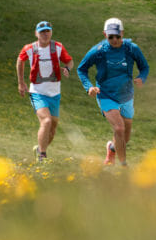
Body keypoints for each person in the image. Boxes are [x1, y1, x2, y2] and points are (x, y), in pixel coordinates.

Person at [78, 17, 149, 166]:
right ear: (105, 34)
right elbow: (81, 69)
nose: (115, 39)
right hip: (106, 95)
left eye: (118, 36)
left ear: (122, 33)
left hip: (127, 95)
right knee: (119, 127)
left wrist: (142, 77)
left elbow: (144, 67)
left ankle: (111, 149)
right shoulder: (98, 51)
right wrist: (89, 87)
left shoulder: (131, 48)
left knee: (125, 137)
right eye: (111, 37)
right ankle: (123, 166)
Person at [17, 20, 74, 161]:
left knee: (52, 130)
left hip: (55, 93)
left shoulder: (58, 47)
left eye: (48, 31)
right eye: (42, 32)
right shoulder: (29, 48)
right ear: (36, 33)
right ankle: (42, 156)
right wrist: (21, 82)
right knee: (46, 122)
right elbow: (20, 60)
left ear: (51, 32)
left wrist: (67, 68)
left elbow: (69, 61)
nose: (45, 34)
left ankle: (39, 149)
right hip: (37, 92)